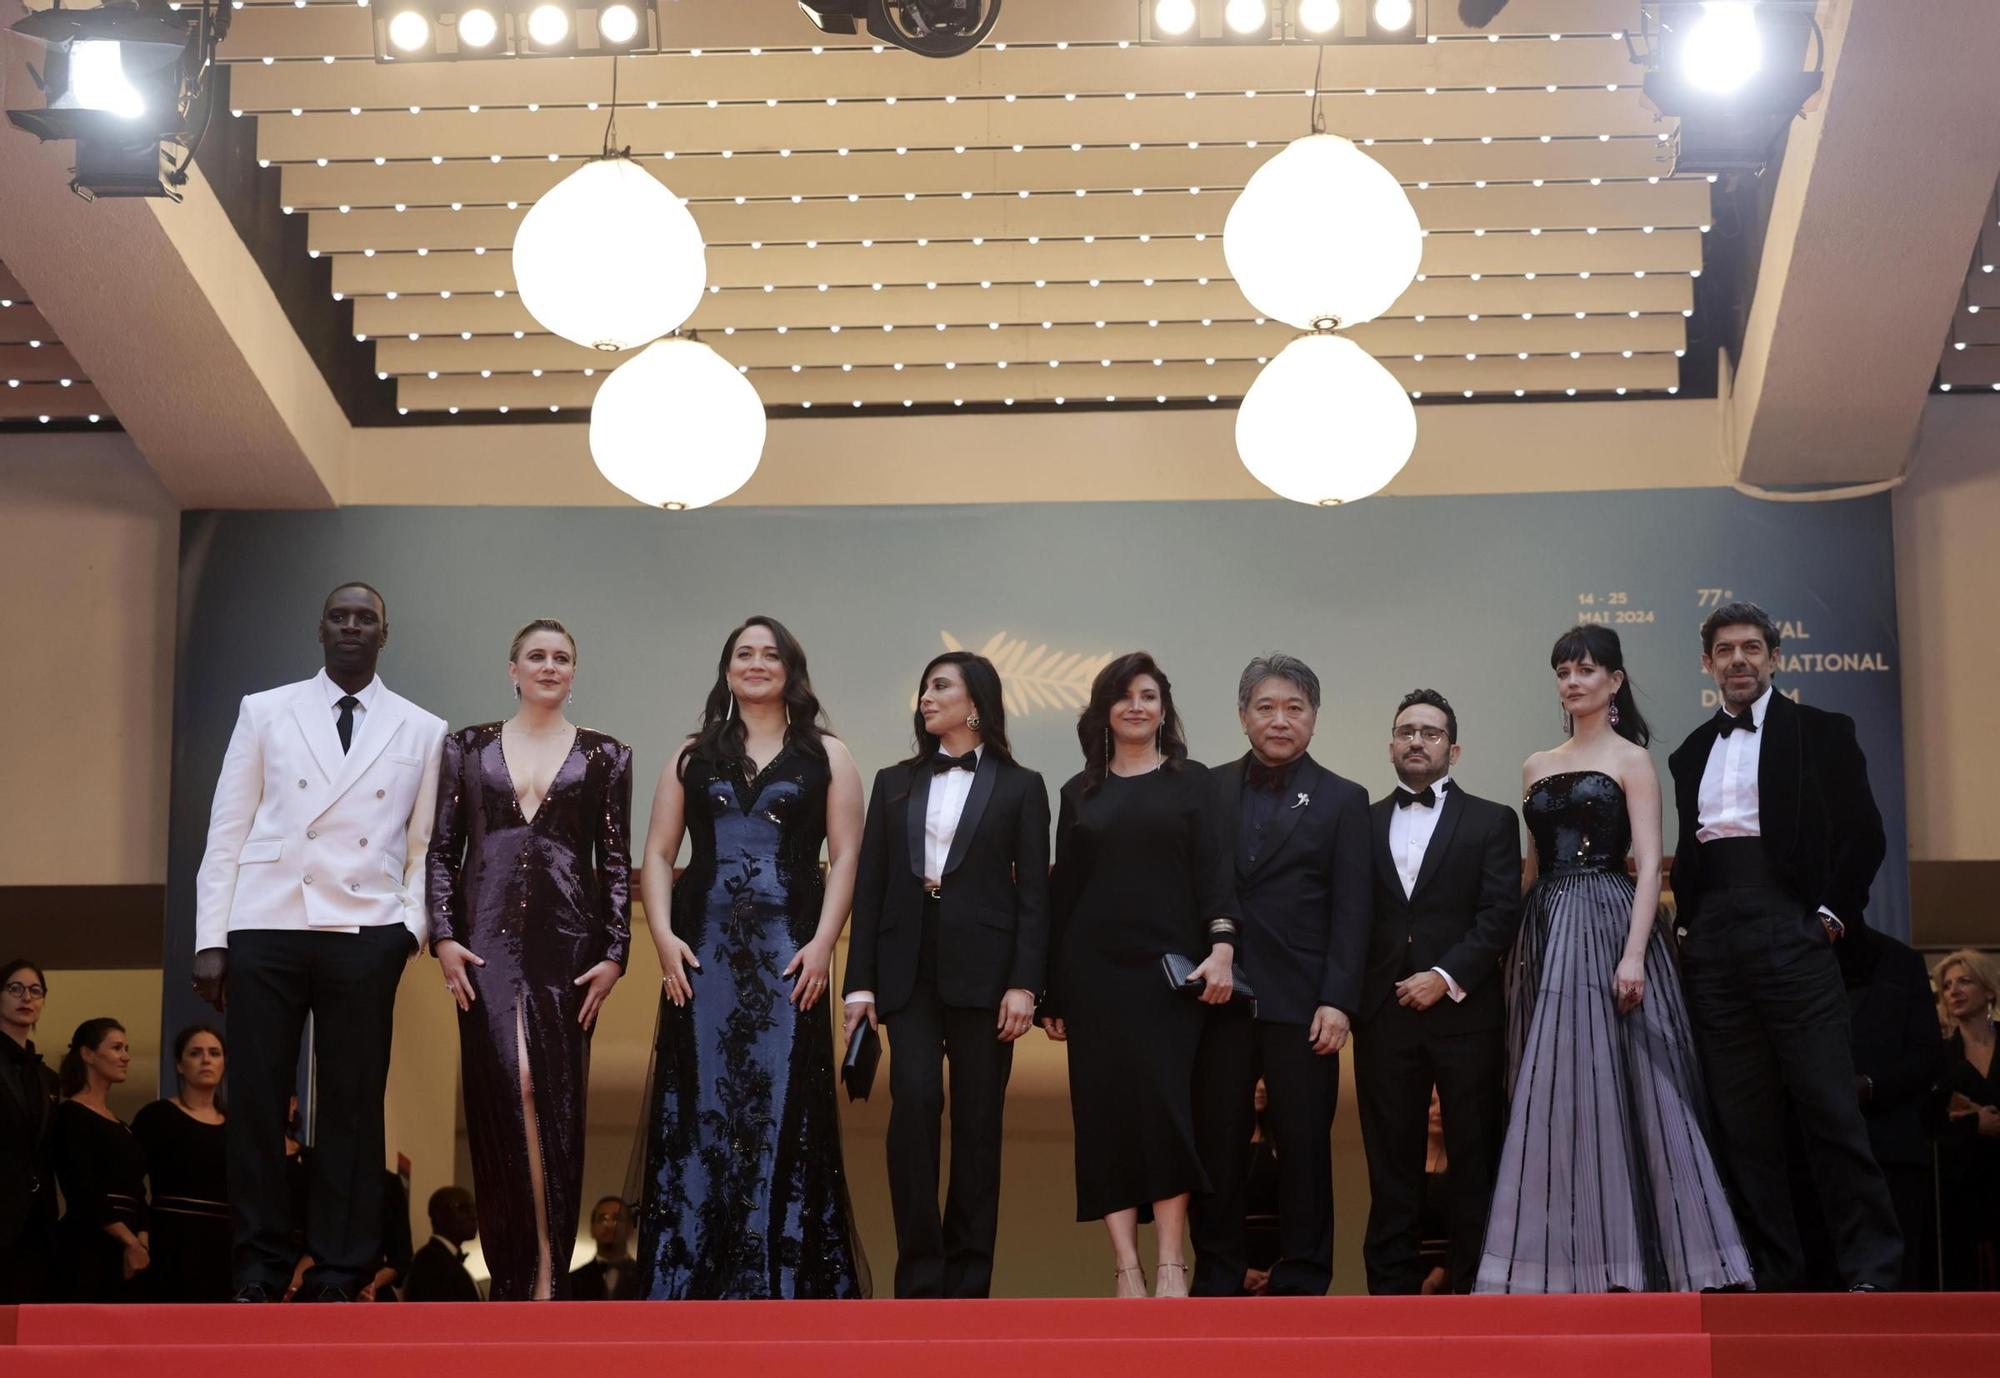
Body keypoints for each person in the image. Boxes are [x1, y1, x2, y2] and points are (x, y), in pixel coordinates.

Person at [191, 581, 447, 1303]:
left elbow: (427, 847)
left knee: (353, 1107)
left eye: (366, 618)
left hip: (364, 930)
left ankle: (341, 1269)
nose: (352, 627)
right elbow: (228, 827)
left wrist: (409, 930)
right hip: (266, 920)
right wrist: (211, 937)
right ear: (321, 628)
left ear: (384, 635)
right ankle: (259, 1267)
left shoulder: (422, 728)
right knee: (257, 1104)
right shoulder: (265, 710)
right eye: (340, 615)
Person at [1477, 625, 1751, 1293]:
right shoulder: (1535, 763)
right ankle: (1562, 1264)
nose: (1573, 682)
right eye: (1564, 672)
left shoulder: (1632, 760)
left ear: (1614, 682)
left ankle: (1637, 1262)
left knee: (1629, 1087)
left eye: (1586, 670)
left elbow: (1652, 863)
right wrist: (1515, 946)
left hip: (1610, 919)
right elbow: (1533, 866)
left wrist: (1633, 956)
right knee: (1555, 1090)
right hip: (1547, 928)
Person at [1667, 601, 1902, 1291]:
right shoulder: (1688, 752)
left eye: (1751, 648)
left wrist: (1828, 918)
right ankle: (1770, 1272)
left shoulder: (1823, 732)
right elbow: (1692, 850)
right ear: (1706, 664)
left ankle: (1873, 1269)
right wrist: (1688, 929)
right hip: (1713, 945)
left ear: (1774, 657)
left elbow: (1864, 836)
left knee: (1829, 1108)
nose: (1738, 660)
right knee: (1741, 1122)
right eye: (1724, 650)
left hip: (1793, 929)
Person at [633, 615, 869, 1299]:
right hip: (700, 950)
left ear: (791, 669)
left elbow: (847, 854)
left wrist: (824, 944)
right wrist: (663, 937)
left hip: (789, 954)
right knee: (701, 1100)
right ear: (727, 669)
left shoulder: (829, 754)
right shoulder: (690, 753)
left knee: (782, 1108)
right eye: (744, 653)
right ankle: (691, 1282)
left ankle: (779, 1281)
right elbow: (656, 852)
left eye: (771, 654)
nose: (757, 663)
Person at [427, 618, 632, 1301]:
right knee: (501, 1091)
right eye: (537, 656)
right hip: (482, 941)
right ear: (512, 668)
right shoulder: (466, 747)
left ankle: (547, 1273)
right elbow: (441, 848)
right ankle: (515, 1274)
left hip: (568, 944)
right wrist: (443, 935)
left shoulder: (608, 755)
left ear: (574, 672)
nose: (550, 666)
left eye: (562, 658)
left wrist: (616, 953)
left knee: (552, 1095)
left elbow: (617, 861)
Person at [843, 651, 1050, 1298]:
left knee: (979, 1121)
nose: (926, 698)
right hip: (906, 966)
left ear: (977, 704)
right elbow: (870, 885)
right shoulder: (892, 780)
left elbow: (1034, 899)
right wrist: (859, 982)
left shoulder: (1022, 785)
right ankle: (920, 1272)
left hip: (988, 973)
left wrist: (1026, 983)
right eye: (925, 688)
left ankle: (969, 1279)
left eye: (941, 687)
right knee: (915, 1101)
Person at [1042, 652, 1237, 1299]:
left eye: (1148, 695)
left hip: (1167, 977)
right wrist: (1051, 988)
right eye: (1123, 696)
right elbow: (1060, 896)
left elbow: (1215, 874)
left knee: (1164, 1112)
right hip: (1092, 976)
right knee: (1103, 1117)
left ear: (1163, 708)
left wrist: (1222, 946)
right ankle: (1126, 1266)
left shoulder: (1195, 782)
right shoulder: (1078, 792)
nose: (1136, 706)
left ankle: (1171, 1263)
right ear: (1104, 710)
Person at [1190, 654, 1370, 1298]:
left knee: (1303, 1146)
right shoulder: (1203, 788)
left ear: (1314, 719)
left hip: (1304, 1002)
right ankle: (1214, 1273)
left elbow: (1354, 911)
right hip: (1219, 998)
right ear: (1242, 717)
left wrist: (1338, 1000)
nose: (1280, 719)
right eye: (1265, 707)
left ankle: (1304, 1276)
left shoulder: (1345, 799)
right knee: (1216, 1144)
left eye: (1295, 707)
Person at [1357, 688, 1524, 1295]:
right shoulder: (1363, 820)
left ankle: (1475, 1284)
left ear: (1452, 748)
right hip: (1382, 1015)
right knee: (1389, 1160)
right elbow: (1352, 918)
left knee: (1474, 1156)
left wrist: (1444, 977)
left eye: (1430, 733)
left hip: (1464, 1013)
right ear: (1390, 746)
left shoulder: (1493, 819)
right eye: (1406, 732)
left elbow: (1500, 914)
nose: (1416, 741)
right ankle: (1390, 1293)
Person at [1805, 927, 1943, 1290]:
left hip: (1891, 1142)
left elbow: (1928, 1053)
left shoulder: (1900, 961)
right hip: (1812, 1153)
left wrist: (1872, 1087)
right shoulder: (1793, 955)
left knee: (1899, 1287)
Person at [51, 1018, 150, 1301]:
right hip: (87, 1244)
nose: (126, 1057)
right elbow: (82, 1188)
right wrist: (130, 1241)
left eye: (127, 1048)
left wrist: (141, 1241)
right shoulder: (72, 1115)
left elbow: (137, 1189)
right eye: (117, 1048)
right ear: (88, 1054)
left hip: (129, 1249)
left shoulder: (121, 1125)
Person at [133, 1024, 232, 1301]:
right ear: (179, 1064)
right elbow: (129, 1179)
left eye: (214, 1053)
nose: (206, 1060)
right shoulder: (157, 1116)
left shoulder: (236, 1127)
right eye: (195, 1053)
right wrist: (141, 1231)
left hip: (223, 1244)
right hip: (170, 1240)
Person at [1929, 949, 1999, 1289]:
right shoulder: (1939, 1058)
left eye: (1964, 981)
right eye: (1947, 985)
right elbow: (1931, 1124)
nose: (1954, 990)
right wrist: (1975, 1124)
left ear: (1988, 991)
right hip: (1962, 1186)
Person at [0, 959, 60, 1302]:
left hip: (36, 1217)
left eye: (35, 991)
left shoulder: (46, 1077)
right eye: (15, 989)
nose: (27, 998)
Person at [403, 1186, 481, 1302]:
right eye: (463, 1208)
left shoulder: (444, 1259)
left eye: (474, 1208)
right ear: (438, 1215)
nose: (474, 1215)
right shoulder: (429, 1262)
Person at [570, 1196, 641, 1300]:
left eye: (617, 1218)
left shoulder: (644, 1279)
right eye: (602, 1219)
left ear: (630, 1228)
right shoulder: (571, 1281)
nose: (609, 1225)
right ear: (592, 1229)